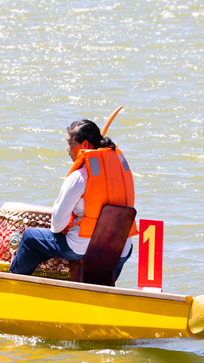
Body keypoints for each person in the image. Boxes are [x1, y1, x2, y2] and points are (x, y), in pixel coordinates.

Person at [8, 119, 138, 280]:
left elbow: (57, 225)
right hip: (121, 249)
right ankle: (103, 290)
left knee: (30, 238)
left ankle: (14, 282)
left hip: (82, 248)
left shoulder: (79, 177)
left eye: (70, 143)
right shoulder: (121, 171)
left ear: (84, 145)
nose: (67, 148)